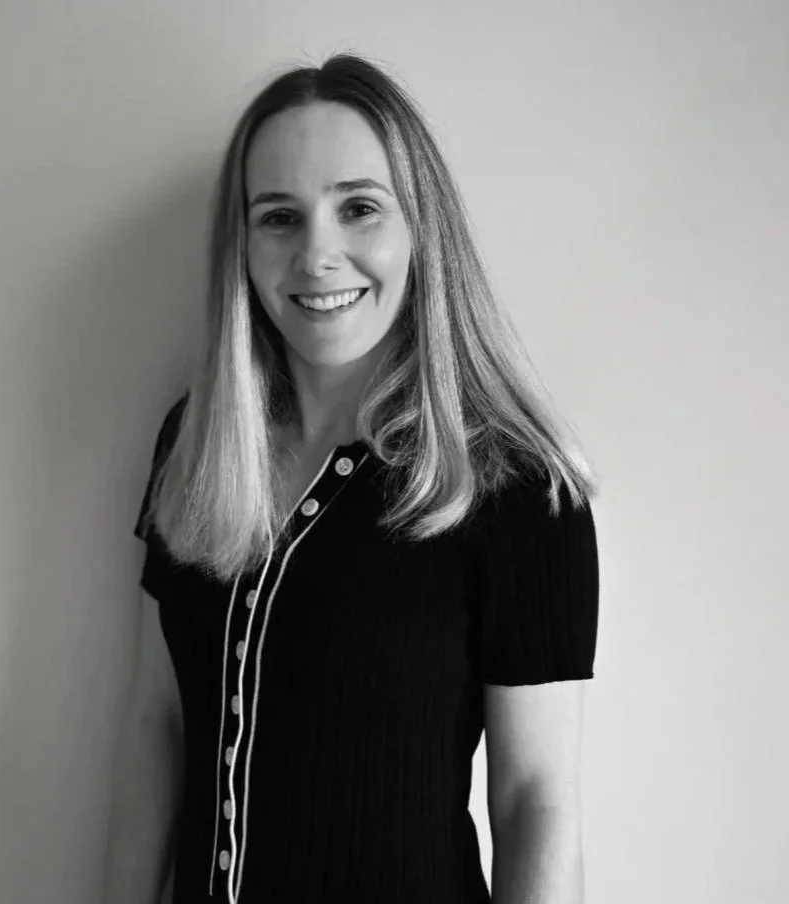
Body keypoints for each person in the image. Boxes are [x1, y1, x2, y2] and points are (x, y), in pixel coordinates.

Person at [104, 52, 600, 904]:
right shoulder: (195, 443)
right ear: (243, 245)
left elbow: (535, 803)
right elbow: (160, 722)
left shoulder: (517, 486)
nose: (317, 255)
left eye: (359, 209)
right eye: (279, 218)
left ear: (421, 228)